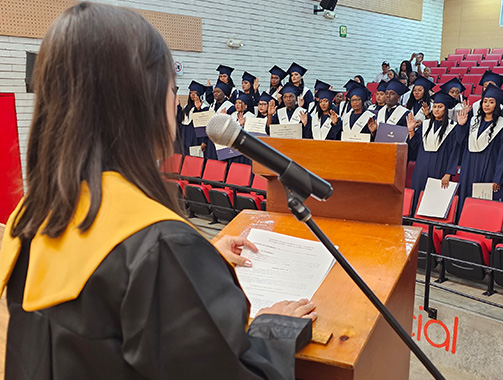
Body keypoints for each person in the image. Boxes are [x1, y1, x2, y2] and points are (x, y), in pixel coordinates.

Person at [0, 3, 316, 379]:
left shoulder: (32, 219)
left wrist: (193, 266)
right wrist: (272, 327)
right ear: (142, 102)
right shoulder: (159, 249)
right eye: (172, 89)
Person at [457, 84, 503, 211]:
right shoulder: (473, 121)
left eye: (491, 102)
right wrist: (461, 126)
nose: (487, 105)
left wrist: (498, 177)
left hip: (489, 168)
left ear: (497, 105)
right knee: (466, 198)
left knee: (482, 203)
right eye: (485, 101)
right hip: (469, 166)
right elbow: (462, 142)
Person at [407, 91, 465, 213]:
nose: (436, 110)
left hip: (439, 169)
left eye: (440, 107)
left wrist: (448, 173)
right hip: (421, 168)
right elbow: (414, 146)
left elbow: (455, 152)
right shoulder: (425, 125)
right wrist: (411, 131)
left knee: (434, 201)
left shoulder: (452, 127)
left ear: (446, 109)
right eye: (435, 107)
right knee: (418, 197)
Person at [178, 80, 208, 155]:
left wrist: (203, 141)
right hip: (185, 134)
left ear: (200, 94)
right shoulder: (187, 107)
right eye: (191, 93)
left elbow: (204, 126)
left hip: (195, 136)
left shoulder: (204, 107)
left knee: (194, 157)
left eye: (195, 93)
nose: (192, 95)